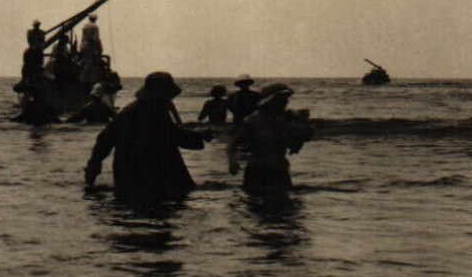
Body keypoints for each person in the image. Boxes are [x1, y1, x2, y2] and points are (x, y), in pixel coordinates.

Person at [83, 71, 208, 200]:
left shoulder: (129, 111)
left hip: (128, 175)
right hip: (157, 174)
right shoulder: (155, 113)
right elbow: (177, 136)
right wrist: (200, 137)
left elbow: (105, 140)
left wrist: (93, 165)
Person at [228, 82, 313, 194]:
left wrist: (301, 134)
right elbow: (232, 145)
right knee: (258, 203)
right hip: (257, 170)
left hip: (279, 169)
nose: (286, 102)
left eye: (286, 99)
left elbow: (298, 141)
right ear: (272, 101)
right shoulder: (252, 121)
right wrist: (232, 161)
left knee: (284, 207)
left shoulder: (287, 119)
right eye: (283, 100)